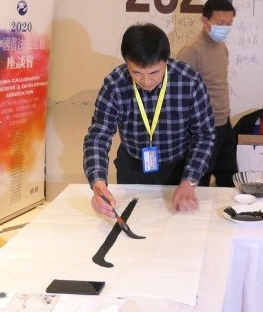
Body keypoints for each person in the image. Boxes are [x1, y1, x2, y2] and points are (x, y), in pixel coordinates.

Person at [84, 23, 215, 217]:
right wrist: (98, 185)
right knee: (135, 220)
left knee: (180, 227)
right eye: (136, 72)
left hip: (180, 168)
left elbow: (204, 135)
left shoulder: (189, 81)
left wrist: (190, 180)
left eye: (154, 72)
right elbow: (98, 136)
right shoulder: (115, 84)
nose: (146, 81)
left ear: (166, 61)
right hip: (133, 167)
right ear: (127, 62)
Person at [175, 0, 237, 187]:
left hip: (224, 123)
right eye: (220, 23)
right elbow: (180, 96)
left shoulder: (222, 47)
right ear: (205, 21)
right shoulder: (190, 51)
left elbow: (219, 85)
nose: (225, 28)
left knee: (228, 178)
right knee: (199, 180)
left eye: (229, 23)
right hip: (203, 129)